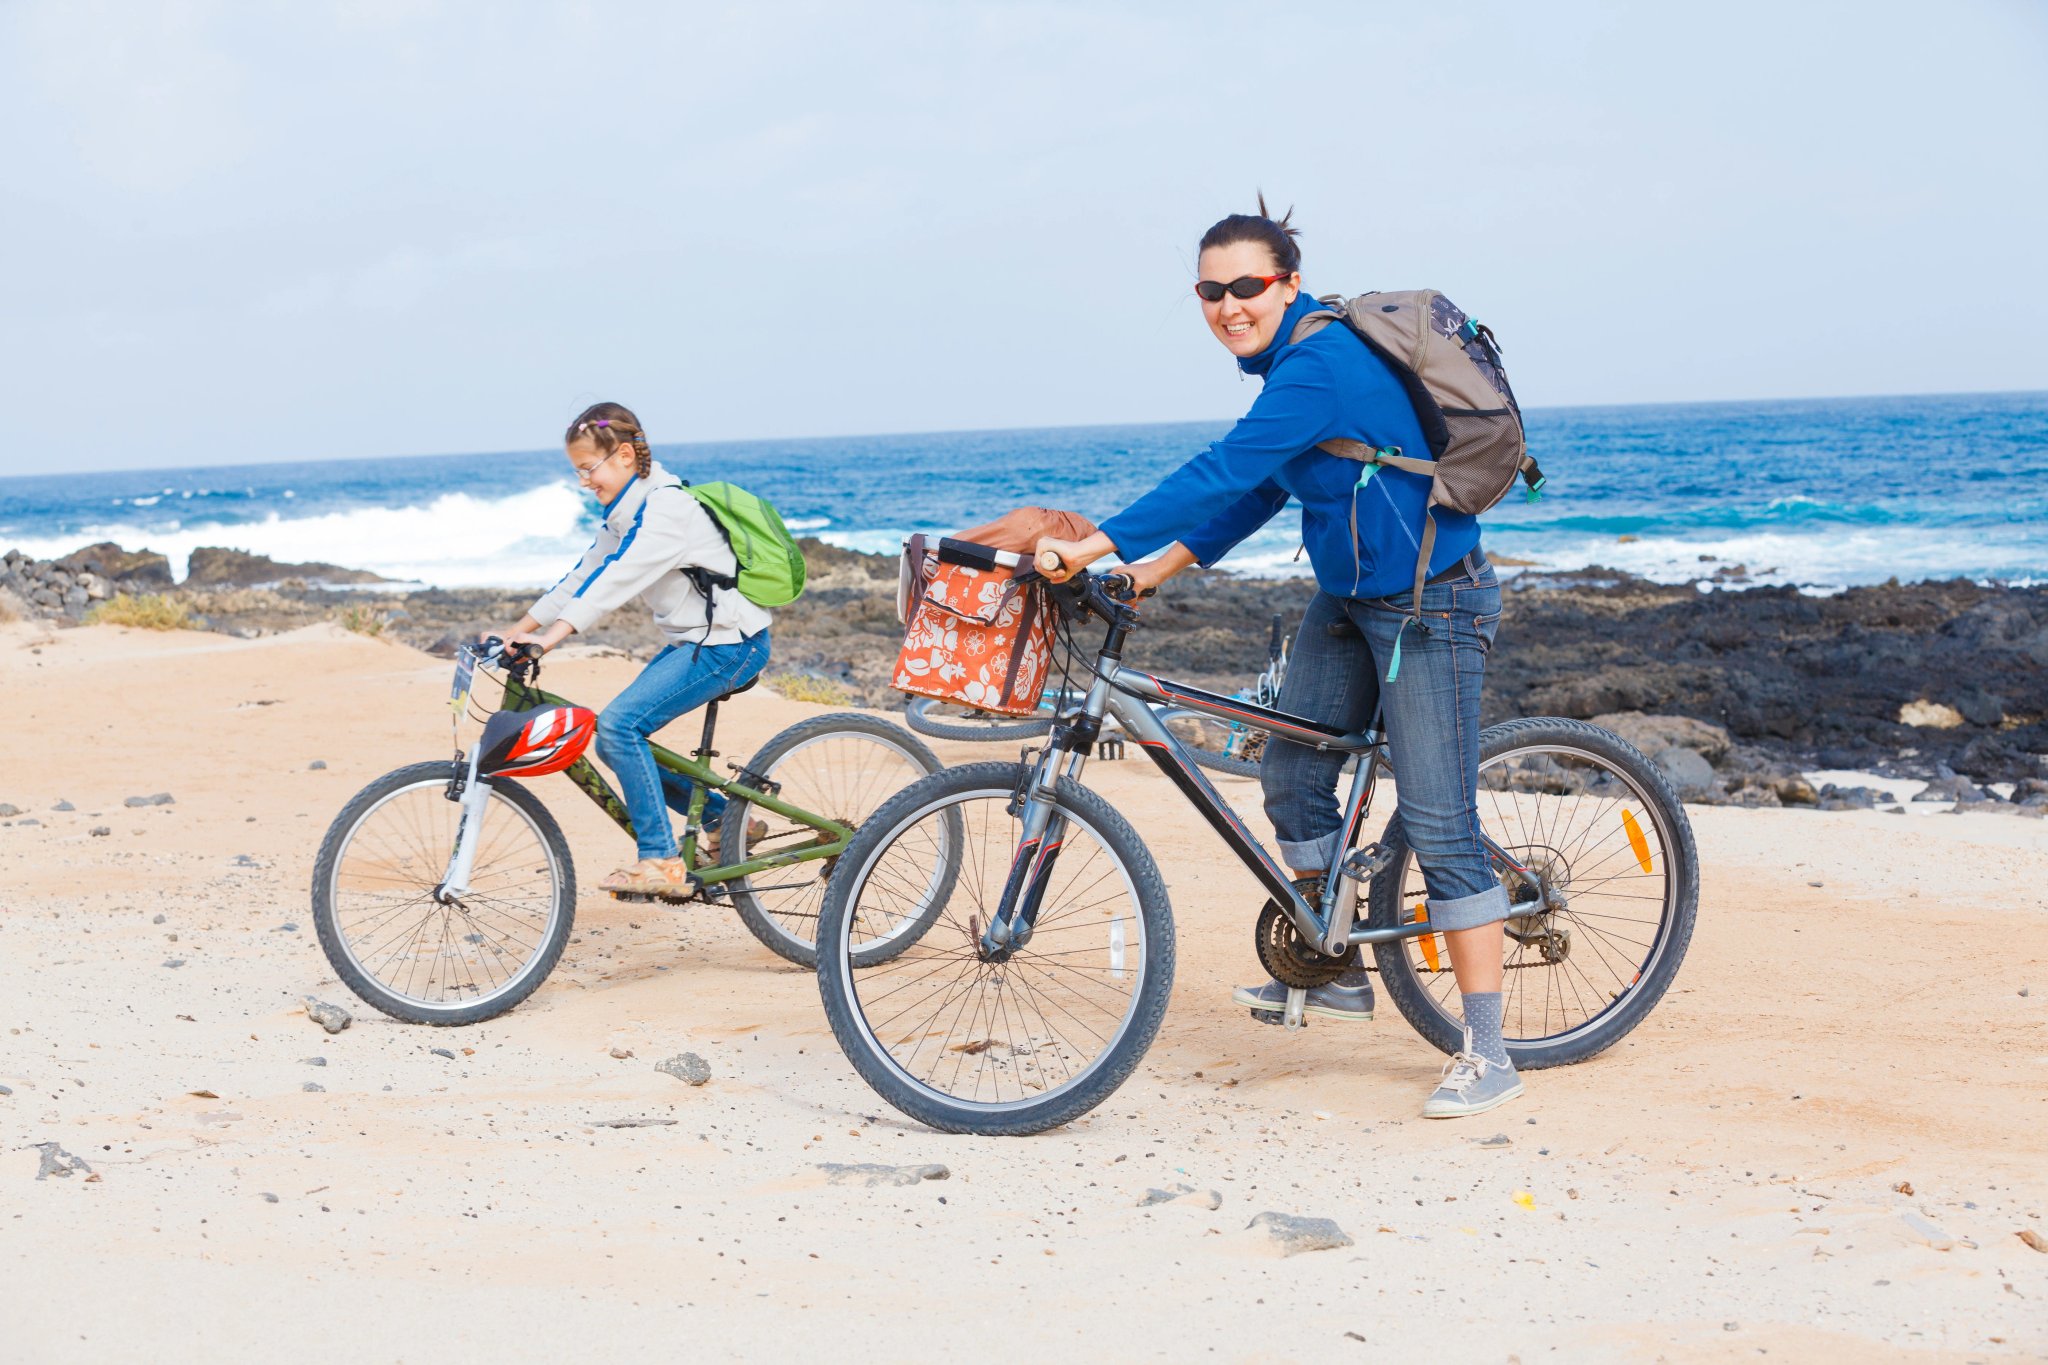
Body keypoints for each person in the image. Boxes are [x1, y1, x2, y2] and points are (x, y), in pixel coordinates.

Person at [1036, 200, 1521, 1119]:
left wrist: (1095, 545)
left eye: (1247, 286)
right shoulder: (1290, 370)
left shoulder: (1321, 361)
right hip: (1351, 596)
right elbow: (1260, 487)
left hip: (1432, 602)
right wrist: (1157, 569)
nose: (1229, 305)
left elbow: (1222, 468)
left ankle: (1488, 1050)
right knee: (1294, 772)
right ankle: (1333, 961)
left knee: (1439, 822)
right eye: (1210, 291)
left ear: (1288, 283)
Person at [499, 401, 772, 896]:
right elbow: (584, 575)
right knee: (613, 735)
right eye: (578, 471)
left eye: (588, 468)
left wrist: (551, 640)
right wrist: (517, 631)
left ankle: (661, 861)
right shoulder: (626, 511)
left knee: (621, 726)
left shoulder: (667, 510)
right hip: (697, 642)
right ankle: (726, 821)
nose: (584, 481)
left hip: (730, 646)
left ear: (624, 455)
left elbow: (615, 583)